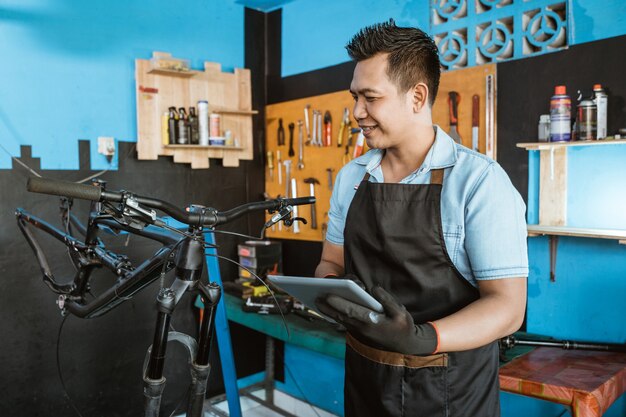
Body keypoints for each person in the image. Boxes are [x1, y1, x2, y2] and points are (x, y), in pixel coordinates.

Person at [314, 20, 528, 417]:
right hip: (365, 381)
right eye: (354, 97)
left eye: (370, 98)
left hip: (449, 390)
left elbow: (508, 308)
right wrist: (329, 292)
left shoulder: (479, 182)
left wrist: (421, 338)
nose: (357, 112)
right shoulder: (351, 178)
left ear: (416, 97)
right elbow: (331, 262)